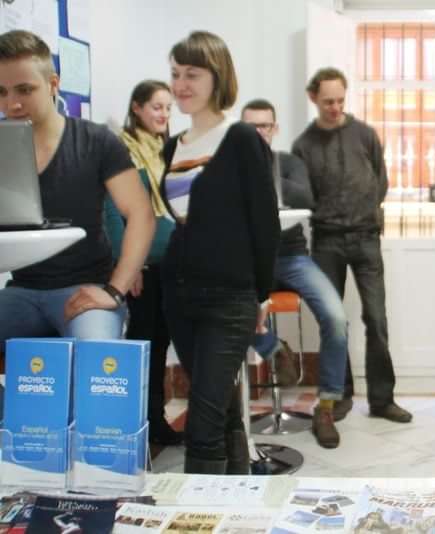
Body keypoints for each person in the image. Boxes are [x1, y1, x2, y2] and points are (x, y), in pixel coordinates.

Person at [0, 30, 154, 416]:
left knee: (100, 371)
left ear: (54, 84)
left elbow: (140, 214)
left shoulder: (96, 141)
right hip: (21, 290)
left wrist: (115, 290)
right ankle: (21, 438)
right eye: (1, 93)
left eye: (24, 89)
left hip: (86, 290)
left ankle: (96, 466)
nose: (12, 104)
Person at [159, 31, 280, 475]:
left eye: (192, 74)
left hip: (229, 298)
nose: (181, 84)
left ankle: (198, 518)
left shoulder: (242, 138)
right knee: (220, 404)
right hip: (179, 294)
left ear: (217, 77)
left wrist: (262, 295)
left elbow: (264, 224)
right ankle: (238, 498)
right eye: (175, 74)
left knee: (202, 422)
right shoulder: (172, 145)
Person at [292, 67, 411, 423]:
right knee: (334, 321)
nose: (334, 107)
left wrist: (365, 212)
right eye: (327, 101)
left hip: (366, 239)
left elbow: (381, 180)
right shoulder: (303, 145)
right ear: (313, 98)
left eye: (340, 100)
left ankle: (382, 400)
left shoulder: (364, 134)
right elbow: (302, 193)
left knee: (376, 319)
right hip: (326, 240)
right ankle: (339, 395)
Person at [241, 98, 348, 449]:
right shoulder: (227, 168)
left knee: (336, 317)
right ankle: (275, 349)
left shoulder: (288, 163)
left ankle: (327, 406)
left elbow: (306, 199)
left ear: (275, 129)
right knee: (228, 310)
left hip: (292, 258)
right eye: (250, 126)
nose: (258, 133)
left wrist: (265, 176)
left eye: (265, 126)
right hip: (250, 260)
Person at [104, 80, 182, 446]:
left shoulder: (168, 149)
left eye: (168, 107)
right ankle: (138, 427)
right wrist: (128, 265)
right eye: (156, 107)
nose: (163, 114)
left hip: (173, 262)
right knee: (143, 346)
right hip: (143, 266)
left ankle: (157, 419)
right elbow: (113, 212)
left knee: (163, 342)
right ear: (136, 108)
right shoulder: (122, 150)